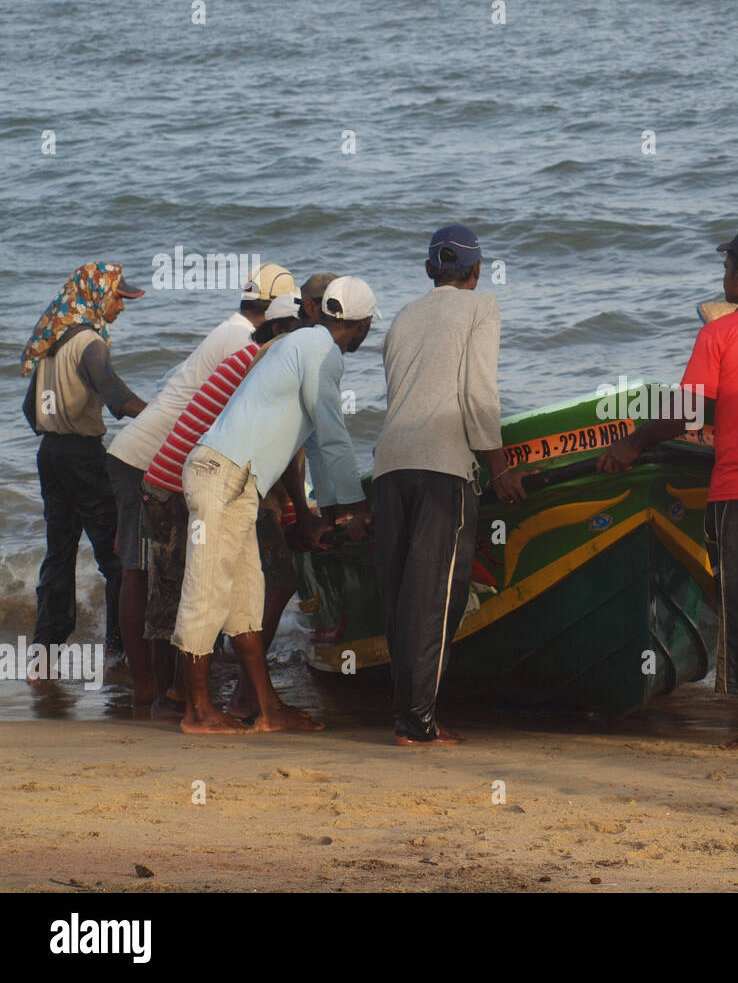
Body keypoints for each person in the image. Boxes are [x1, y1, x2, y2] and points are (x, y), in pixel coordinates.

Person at [598, 221, 738, 751]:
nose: (724, 275)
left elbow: (686, 408)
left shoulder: (720, 333)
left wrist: (633, 443)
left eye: (727, 266)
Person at [170, 275, 379, 734]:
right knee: (206, 593)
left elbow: (319, 442)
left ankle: (268, 709)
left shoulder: (299, 342)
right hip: (225, 474)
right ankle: (198, 711)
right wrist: (358, 508)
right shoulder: (321, 352)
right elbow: (332, 434)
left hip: (235, 479)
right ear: (361, 325)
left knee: (246, 601)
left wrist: (328, 513)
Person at [104, 262, 298, 707]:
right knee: (140, 573)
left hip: (150, 456)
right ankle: (148, 690)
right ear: (277, 313)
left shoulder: (230, 330)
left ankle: (164, 686)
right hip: (146, 460)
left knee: (151, 574)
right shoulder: (245, 341)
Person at [373, 225, 529, 746]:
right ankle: (417, 724)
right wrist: (501, 469)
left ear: (427, 272)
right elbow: (478, 393)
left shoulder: (400, 318)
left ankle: (407, 715)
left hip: (391, 465)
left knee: (401, 597)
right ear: (477, 271)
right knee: (435, 598)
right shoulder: (480, 308)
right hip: (443, 467)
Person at [21, 263, 148, 668]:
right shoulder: (91, 343)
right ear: (96, 296)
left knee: (58, 554)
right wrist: (163, 417)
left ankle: (43, 657)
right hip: (82, 457)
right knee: (115, 557)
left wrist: (56, 420)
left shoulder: (51, 343)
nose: (121, 308)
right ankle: (117, 650)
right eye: (118, 298)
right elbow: (115, 395)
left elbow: (29, 409)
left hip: (50, 457)